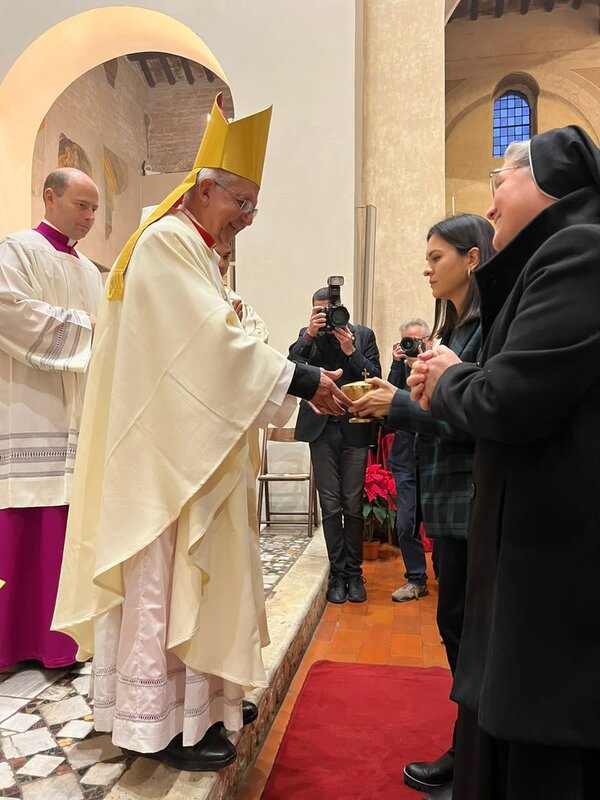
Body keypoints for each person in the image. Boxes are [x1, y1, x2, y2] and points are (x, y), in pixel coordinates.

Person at [52, 94, 349, 772]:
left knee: (206, 583)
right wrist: (302, 381)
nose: (246, 219)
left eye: (253, 208)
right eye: (239, 203)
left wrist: (271, 359)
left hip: (195, 454)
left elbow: (225, 341)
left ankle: (209, 701)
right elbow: (207, 349)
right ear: (204, 188)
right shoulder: (165, 244)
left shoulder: (191, 248)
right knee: (171, 584)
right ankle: (162, 725)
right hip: (167, 467)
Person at [408, 126, 600, 800]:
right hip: (529, 534)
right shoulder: (560, 255)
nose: (490, 207)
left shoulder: (580, 250)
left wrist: (451, 377)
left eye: (500, 182)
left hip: (551, 546)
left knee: (536, 728)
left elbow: (510, 397)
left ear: (548, 181)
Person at [351, 214, 494, 799]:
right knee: (456, 625)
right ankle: (470, 752)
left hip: (469, 497)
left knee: (466, 630)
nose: (427, 267)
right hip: (449, 495)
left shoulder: (486, 328)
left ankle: (473, 760)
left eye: (437, 256)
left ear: (472, 259)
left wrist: (398, 406)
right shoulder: (459, 330)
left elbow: (475, 414)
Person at [0, 167, 102, 671]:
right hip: (28, 405)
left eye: (94, 209)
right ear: (49, 197)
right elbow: (9, 312)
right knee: (25, 519)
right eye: (81, 205)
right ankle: (15, 643)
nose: (88, 218)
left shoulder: (89, 270)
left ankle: (65, 643)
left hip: (78, 409)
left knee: (71, 522)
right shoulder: (14, 250)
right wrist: (91, 331)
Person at [288, 289, 381, 604]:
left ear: (342, 310)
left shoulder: (362, 335)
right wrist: (310, 335)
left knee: (352, 503)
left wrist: (350, 350)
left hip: (354, 428)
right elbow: (290, 368)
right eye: (319, 312)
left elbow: (375, 376)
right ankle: (338, 574)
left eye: (330, 311)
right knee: (330, 504)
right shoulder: (308, 336)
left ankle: (355, 574)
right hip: (321, 430)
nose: (326, 318)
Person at [387, 317, 431, 603]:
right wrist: (395, 365)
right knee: (405, 523)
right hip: (404, 458)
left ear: (427, 341)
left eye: (416, 341)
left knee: (439, 525)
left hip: (433, 457)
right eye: (407, 341)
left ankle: (446, 574)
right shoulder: (399, 369)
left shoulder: (436, 365)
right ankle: (416, 578)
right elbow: (389, 405)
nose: (411, 346)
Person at [215, 243, 269, 342]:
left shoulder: (237, 304)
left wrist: (236, 332)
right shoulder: (185, 296)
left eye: (226, 257)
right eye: (215, 256)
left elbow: (260, 346)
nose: (221, 265)